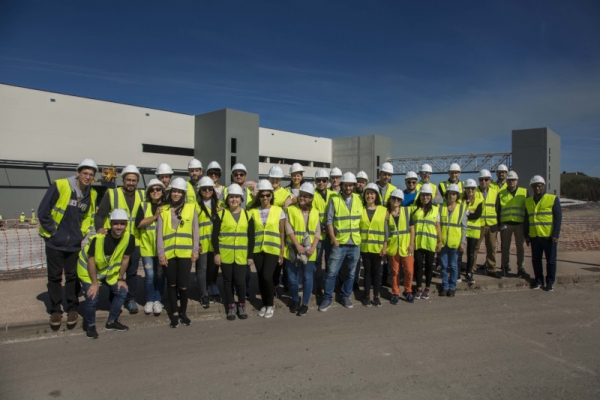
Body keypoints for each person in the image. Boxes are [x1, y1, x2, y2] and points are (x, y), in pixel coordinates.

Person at [38, 158, 98, 330]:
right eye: (85, 173)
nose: (87, 177)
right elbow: (43, 211)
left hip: (73, 243)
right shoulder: (61, 186)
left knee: (72, 276)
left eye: (91, 175)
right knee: (55, 277)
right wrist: (53, 233)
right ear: (78, 173)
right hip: (54, 242)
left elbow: (88, 217)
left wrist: (81, 234)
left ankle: (72, 308)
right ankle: (55, 310)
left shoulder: (91, 194)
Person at [95, 164, 144, 314]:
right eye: (128, 180)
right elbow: (100, 214)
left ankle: (130, 299)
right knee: (114, 271)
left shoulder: (142, 195)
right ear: (123, 180)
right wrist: (99, 229)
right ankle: (114, 300)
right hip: (116, 240)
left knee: (131, 273)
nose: (131, 183)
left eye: (134, 180)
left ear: (137, 182)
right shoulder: (112, 194)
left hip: (134, 240)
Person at [77, 209, 133, 339]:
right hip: (88, 272)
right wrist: (95, 284)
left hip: (107, 272)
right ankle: (90, 325)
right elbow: (91, 261)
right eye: (116, 223)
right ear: (110, 223)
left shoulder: (129, 238)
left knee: (122, 291)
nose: (119, 227)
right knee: (92, 296)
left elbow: (125, 259)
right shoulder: (99, 239)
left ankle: (111, 322)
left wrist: (120, 279)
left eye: (122, 223)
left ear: (126, 225)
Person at [157, 178, 199, 328]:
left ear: (183, 194)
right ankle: (174, 313)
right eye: (174, 191)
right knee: (171, 284)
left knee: (183, 286)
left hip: (185, 253)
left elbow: (196, 231)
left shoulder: (191, 208)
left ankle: (184, 313)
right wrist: (161, 254)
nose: (176, 194)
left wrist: (195, 251)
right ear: (170, 192)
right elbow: (160, 234)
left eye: (179, 192)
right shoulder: (164, 209)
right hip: (169, 254)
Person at [319, 172, 363, 311]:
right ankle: (327, 298)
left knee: (350, 273)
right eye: (346, 184)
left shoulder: (359, 199)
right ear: (342, 185)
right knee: (331, 272)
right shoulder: (335, 199)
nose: (348, 187)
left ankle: (345, 296)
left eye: (351, 185)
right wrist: (333, 239)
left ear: (354, 186)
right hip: (339, 243)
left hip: (354, 243)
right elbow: (329, 221)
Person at [212, 184, 255, 321]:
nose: (234, 199)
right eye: (231, 197)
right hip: (226, 255)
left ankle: (241, 304)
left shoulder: (248, 215)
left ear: (241, 199)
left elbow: (251, 238)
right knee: (227, 281)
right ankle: (230, 305)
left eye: (237, 197)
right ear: (227, 198)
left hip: (242, 256)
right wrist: (217, 253)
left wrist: (250, 256)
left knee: (240, 282)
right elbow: (215, 236)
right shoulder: (221, 214)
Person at [248, 180, 285, 318]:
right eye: (262, 195)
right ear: (259, 197)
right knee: (260, 278)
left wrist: (282, 251)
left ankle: (270, 303)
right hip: (258, 249)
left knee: (267, 276)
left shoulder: (278, 211)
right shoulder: (252, 211)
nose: (265, 198)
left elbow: (282, 232)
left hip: (273, 249)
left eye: (267, 195)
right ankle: (264, 303)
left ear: (271, 196)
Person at [285, 183, 320, 316]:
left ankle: (305, 303)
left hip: (310, 250)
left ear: (311, 198)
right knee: (293, 278)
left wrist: (313, 247)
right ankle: (295, 300)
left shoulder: (315, 212)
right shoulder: (291, 209)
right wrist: (297, 245)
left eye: (306, 196)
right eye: (301, 195)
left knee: (307, 277)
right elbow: (288, 229)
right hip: (294, 249)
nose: (303, 198)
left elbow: (317, 232)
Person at [524, 175, 562, 291]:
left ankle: (550, 282)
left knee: (550, 261)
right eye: (535, 186)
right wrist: (526, 235)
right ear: (532, 187)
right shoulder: (528, 201)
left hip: (549, 237)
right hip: (535, 237)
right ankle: (539, 280)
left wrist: (555, 234)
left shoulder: (552, 199)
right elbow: (526, 219)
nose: (537, 188)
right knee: (536, 260)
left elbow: (558, 218)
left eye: (539, 186)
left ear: (543, 187)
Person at [136, 179, 166, 315]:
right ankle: (149, 300)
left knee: (160, 275)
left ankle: (157, 300)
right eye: (152, 190)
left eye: (158, 189)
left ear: (162, 192)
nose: (155, 192)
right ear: (148, 192)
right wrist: (154, 217)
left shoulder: (167, 206)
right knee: (149, 275)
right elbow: (139, 223)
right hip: (147, 247)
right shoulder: (143, 205)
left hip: (162, 248)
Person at [196, 176, 224, 308]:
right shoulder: (195, 206)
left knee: (213, 268)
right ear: (200, 190)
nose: (207, 191)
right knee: (202, 269)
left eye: (210, 188)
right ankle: (203, 294)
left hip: (214, 242)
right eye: (204, 189)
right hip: (201, 241)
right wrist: (196, 243)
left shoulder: (218, 204)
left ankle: (212, 285)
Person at [359, 183, 388, 307]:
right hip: (365, 247)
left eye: (372, 193)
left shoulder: (383, 210)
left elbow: (386, 230)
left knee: (377, 273)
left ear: (376, 196)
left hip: (377, 248)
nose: (370, 196)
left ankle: (376, 296)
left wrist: (385, 246)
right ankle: (366, 296)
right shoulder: (360, 209)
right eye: (367, 193)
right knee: (366, 273)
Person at [412, 184, 442, 300]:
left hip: (430, 242)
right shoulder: (415, 209)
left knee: (429, 266)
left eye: (427, 195)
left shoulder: (435, 209)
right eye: (423, 195)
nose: (425, 197)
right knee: (418, 265)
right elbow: (412, 227)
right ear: (420, 196)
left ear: (431, 196)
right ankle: (419, 288)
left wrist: (440, 241)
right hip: (418, 242)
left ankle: (427, 288)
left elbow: (438, 226)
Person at [386, 189, 415, 304]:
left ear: (401, 201)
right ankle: (395, 292)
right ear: (390, 199)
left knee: (409, 271)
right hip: (393, 248)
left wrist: (412, 244)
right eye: (394, 198)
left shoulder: (407, 212)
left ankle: (408, 291)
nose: (396, 201)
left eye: (398, 199)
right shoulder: (386, 214)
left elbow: (412, 229)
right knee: (395, 272)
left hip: (406, 247)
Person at [312, 168, 338, 295]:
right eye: (318, 180)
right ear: (315, 181)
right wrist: (322, 227)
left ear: (328, 182)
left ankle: (329, 284)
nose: (321, 183)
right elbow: (313, 214)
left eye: (324, 180)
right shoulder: (313, 195)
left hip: (330, 233)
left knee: (330, 260)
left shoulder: (334, 194)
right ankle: (318, 285)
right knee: (317, 261)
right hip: (318, 233)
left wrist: (330, 229)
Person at [438, 184, 467, 297]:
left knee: (453, 266)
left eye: (454, 194)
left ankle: (452, 286)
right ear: (447, 194)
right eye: (450, 193)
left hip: (455, 242)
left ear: (457, 196)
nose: (452, 196)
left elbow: (464, 226)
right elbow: (439, 225)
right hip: (444, 241)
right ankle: (445, 286)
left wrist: (463, 242)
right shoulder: (442, 207)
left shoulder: (461, 208)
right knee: (444, 265)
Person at [498, 171, 527, 277]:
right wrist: (498, 225)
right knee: (505, 247)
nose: (511, 182)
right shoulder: (501, 193)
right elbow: (498, 209)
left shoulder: (524, 192)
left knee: (520, 248)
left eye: (513, 180)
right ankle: (505, 266)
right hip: (506, 224)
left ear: (517, 181)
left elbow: (528, 209)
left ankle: (521, 267)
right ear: (507, 181)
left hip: (519, 224)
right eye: (510, 180)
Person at [475, 169, 502, 278]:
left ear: (490, 181)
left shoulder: (495, 193)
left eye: (486, 179)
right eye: (481, 180)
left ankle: (491, 269)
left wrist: (498, 224)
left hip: (491, 224)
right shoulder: (474, 192)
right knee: (475, 247)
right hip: (478, 225)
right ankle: (472, 269)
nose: (484, 182)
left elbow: (498, 209)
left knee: (491, 248)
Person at [463, 179, 483, 283]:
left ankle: (469, 274)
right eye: (468, 188)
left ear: (475, 189)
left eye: (472, 188)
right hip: (463, 229)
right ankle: (457, 274)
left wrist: (465, 214)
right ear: (465, 189)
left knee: (471, 253)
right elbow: (459, 213)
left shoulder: (479, 200)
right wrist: (467, 212)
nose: (470, 190)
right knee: (460, 251)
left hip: (474, 230)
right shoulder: (461, 200)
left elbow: (476, 215)